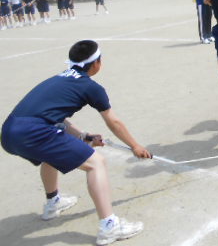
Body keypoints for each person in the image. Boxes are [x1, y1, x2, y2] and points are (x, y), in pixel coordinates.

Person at [1, 40, 152, 245]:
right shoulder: (91, 87)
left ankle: (53, 202)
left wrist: (83, 136)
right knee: (96, 163)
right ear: (96, 63)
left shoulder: (59, 78)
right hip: (34, 131)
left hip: (9, 132)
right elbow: (113, 122)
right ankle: (109, 226)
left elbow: (55, 117)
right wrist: (135, 146)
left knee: (49, 155)